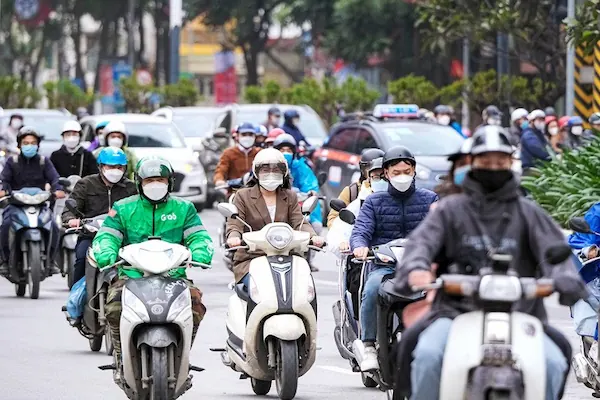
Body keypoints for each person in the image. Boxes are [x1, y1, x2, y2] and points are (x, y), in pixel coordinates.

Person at [395, 125, 587, 400]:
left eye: (500, 161)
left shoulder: (529, 212)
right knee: (425, 354)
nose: (493, 167)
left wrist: (564, 277)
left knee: (555, 360)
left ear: (511, 162)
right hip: (455, 312)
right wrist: (415, 268)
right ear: (472, 162)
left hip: (522, 314)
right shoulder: (450, 210)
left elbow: (555, 250)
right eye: (486, 161)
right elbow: (421, 243)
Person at [92, 156, 214, 383]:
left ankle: (183, 355)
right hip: (131, 276)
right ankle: (121, 356)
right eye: (149, 180)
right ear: (139, 182)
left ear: (170, 182)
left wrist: (200, 252)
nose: (155, 184)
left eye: (160, 179)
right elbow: (107, 236)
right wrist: (106, 254)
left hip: (173, 276)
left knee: (195, 304)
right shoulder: (123, 208)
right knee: (114, 307)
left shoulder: (184, 208)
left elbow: (198, 235)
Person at [349, 145, 438, 372]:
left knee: (442, 294)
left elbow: (442, 229)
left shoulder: (430, 199)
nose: (401, 177)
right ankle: (368, 343)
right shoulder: (373, 202)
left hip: (420, 267)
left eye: (406, 171)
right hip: (384, 267)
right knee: (370, 289)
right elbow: (361, 231)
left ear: (414, 171)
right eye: (396, 172)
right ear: (386, 173)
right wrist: (359, 247)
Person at [225, 148, 324, 284]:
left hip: (287, 256)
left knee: (304, 289)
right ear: (256, 172)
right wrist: (234, 238)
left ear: (284, 173)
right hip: (252, 259)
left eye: (276, 170)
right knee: (258, 289)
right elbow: (235, 224)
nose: (271, 174)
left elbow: (299, 221)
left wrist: (313, 237)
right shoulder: (243, 196)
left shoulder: (290, 196)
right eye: (265, 170)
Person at [62, 147, 137, 284]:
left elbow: (141, 209)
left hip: (123, 238)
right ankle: (77, 299)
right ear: (101, 166)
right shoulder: (86, 184)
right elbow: (70, 208)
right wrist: (71, 219)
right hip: (91, 236)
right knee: (81, 259)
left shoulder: (131, 188)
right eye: (111, 166)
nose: (115, 170)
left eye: (119, 167)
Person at [0, 127, 65, 275]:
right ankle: (4, 260)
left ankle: (52, 260)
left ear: (38, 145)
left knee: (54, 226)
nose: (29, 145)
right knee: (5, 225)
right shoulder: (12, 161)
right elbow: (4, 180)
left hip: (40, 205)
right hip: (16, 205)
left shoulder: (44, 161)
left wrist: (58, 189)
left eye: (33, 143)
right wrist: (3, 190)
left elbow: (55, 178)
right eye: (26, 143)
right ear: (19, 145)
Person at [273, 134, 323, 270]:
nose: (285, 154)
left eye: (288, 151)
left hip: (297, 208)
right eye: (282, 150)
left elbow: (310, 184)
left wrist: (311, 192)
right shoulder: (270, 167)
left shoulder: (300, 167)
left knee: (315, 226)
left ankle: (309, 258)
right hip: (274, 208)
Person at [327, 156, 387, 256]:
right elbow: (349, 229)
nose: (380, 181)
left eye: (384, 177)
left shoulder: (409, 198)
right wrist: (343, 242)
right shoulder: (362, 199)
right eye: (376, 177)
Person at [326, 148, 385, 227]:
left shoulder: (392, 190)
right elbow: (333, 218)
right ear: (363, 170)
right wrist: (341, 233)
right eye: (369, 169)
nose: (373, 173)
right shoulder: (353, 191)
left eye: (380, 172)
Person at [214, 122, 260, 190]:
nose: (247, 137)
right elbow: (221, 169)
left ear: (255, 136)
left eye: (250, 135)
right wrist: (219, 180)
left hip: (256, 191)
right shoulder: (228, 153)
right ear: (237, 136)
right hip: (234, 191)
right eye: (244, 134)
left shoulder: (260, 153)